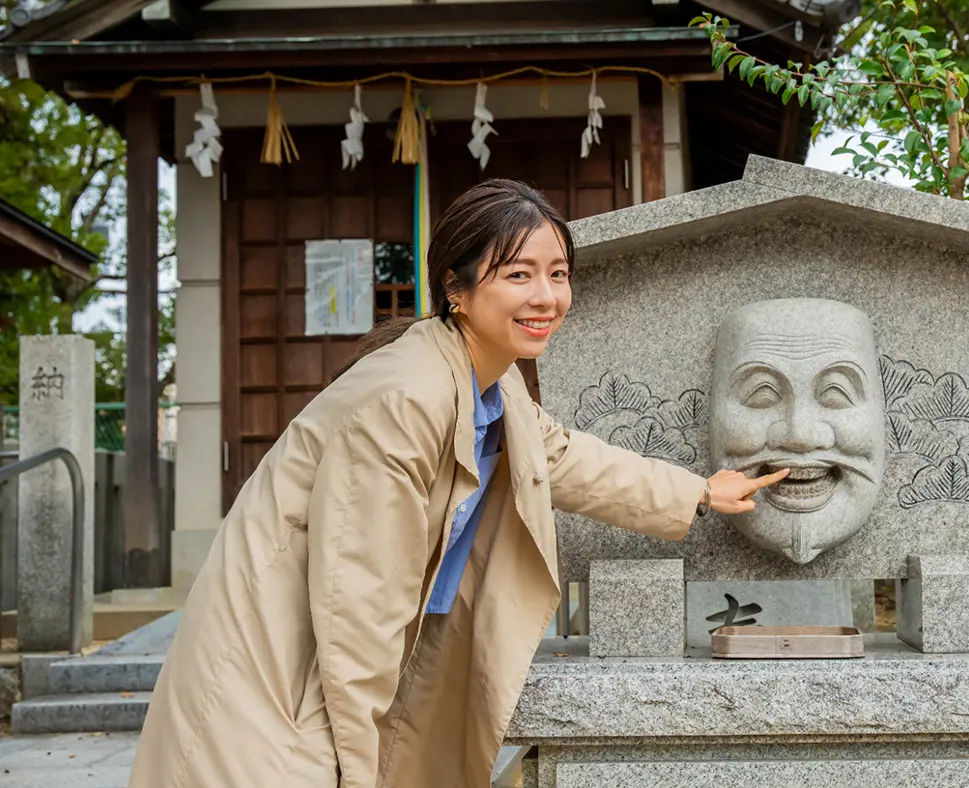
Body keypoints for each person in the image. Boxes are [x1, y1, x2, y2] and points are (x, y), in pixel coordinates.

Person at [129, 179, 788, 788]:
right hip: (278, 675)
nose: (546, 297)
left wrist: (698, 493)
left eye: (558, 274)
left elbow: (561, 458)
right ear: (457, 288)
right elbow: (358, 609)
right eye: (519, 274)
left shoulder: (489, 379)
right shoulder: (404, 400)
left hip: (335, 668)